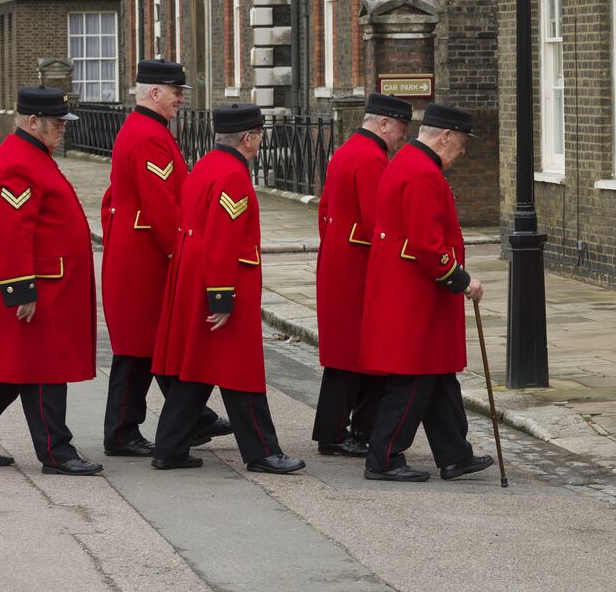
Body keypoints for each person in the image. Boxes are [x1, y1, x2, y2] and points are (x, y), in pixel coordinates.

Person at [151, 104, 304, 473]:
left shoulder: (206, 164)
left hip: (195, 278)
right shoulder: (233, 175)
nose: (260, 141)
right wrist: (221, 296)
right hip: (220, 281)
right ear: (248, 138)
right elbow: (223, 239)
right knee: (241, 369)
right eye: (260, 135)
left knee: (198, 367)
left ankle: (170, 449)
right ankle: (263, 452)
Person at [100, 59, 231, 457]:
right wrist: (184, 253)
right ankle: (123, 432)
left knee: (150, 345)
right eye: (176, 92)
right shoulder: (149, 136)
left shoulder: (146, 130)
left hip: (140, 253)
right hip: (146, 258)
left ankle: (190, 417)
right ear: (154, 92)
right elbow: (162, 206)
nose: (180, 99)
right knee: (136, 349)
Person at [357, 104, 491, 483]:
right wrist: (462, 280)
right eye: (461, 144)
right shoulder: (423, 173)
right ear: (445, 135)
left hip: (410, 291)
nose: (461, 152)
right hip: (416, 296)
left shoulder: (409, 161)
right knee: (412, 379)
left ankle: (455, 455)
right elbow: (427, 245)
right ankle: (382, 456)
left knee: (439, 377)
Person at [0, 88, 102, 474]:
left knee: (13, 369)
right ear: (33, 122)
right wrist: (21, 287)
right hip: (37, 285)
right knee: (43, 369)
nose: (63, 130)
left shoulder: (32, 154)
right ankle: (57, 453)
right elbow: (13, 231)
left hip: (48, 283)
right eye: (58, 123)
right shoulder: (19, 163)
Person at [312, 93, 412, 457]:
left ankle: (335, 430)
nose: (400, 138)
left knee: (345, 357)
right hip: (359, 270)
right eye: (400, 130)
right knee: (360, 357)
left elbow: (324, 211)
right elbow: (379, 223)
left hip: (340, 262)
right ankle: (349, 432)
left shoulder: (346, 150)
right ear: (383, 123)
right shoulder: (372, 159)